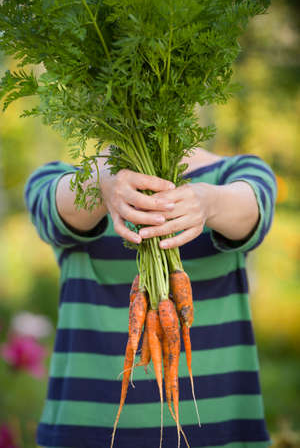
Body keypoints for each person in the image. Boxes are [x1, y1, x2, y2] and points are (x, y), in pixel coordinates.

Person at [24, 146, 277, 448]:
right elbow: (47, 205)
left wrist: (207, 203)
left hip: (220, 432)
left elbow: (255, 206)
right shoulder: (68, 180)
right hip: (86, 432)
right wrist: (102, 186)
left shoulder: (234, 175)